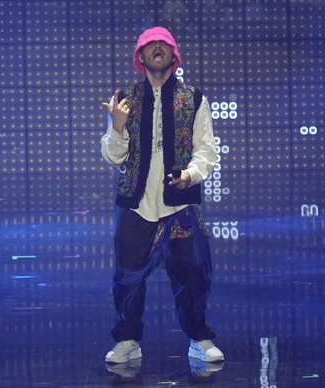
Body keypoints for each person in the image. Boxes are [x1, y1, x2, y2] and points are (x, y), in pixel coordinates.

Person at [100, 26, 224, 365]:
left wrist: (189, 175)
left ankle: (199, 338)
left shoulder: (194, 99)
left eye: (163, 44)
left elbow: (207, 152)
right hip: (136, 206)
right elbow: (112, 156)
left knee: (192, 275)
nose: (157, 48)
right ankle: (127, 339)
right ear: (140, 57)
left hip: (180, 205)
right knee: (127, 279)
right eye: (149, 45)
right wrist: (118, 127)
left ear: (174, 55)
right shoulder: (125, 98)